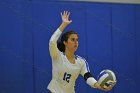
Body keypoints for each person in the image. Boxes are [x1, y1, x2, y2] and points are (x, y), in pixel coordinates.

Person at [47, 11, 112, 93]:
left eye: (77, 40)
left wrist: (97, 85)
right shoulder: (57, 56)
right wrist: (63, 25)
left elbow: (87, 76)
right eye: (72, 40)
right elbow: (52, 42)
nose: (76, 42)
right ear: (65, 42)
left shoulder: (81, 62)